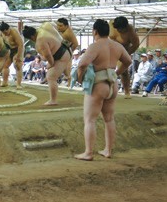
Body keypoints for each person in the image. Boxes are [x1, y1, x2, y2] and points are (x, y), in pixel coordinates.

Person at [74, 19, 131, 161]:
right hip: (113, 84)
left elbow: (82, 64)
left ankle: (88, 153)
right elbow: (128, 61)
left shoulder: (95, 46)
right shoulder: (117, 46)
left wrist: (80, 79)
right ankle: (108, 150)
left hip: (98, 85)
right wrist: (116, 73)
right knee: (109, 118)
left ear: (95, 31)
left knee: (90, 120)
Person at [22, 22, 72, 105]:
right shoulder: (46, 25)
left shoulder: (40, 42)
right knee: (60, 72)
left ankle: (53, 100)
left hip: (62, 56)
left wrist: (50, 65)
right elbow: (55, 26)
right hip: (67, 47)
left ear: (31, 37)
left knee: (50, 77)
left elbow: (50, 58)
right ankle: (67, 75)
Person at [109, 16, 140, 99]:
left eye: (120, 29)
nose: (119, 31)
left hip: (122, 50)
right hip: (109, 49)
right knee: (103, 67)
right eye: (117, 29)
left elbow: (136, 44)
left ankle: (127, 91)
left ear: (125, 27)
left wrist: (126, 53)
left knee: (124, 72)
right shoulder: (111, 24)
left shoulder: (131, 31)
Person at [0, 21, 24, 89]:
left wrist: (18, 56)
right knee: (5, 66)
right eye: (4, 33)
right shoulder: (2, 33)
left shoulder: (14, 32)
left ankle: (18, 84)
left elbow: (20, 45)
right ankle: (5, 82)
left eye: (6, 32)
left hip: (18, 49)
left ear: (8, 29)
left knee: (17, 65)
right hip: (10, 49)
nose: (5, 34)